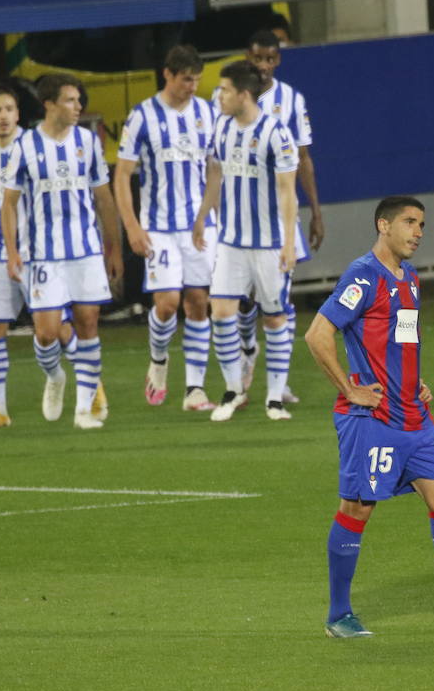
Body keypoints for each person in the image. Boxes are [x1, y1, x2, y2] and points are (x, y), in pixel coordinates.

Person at [305, 195, 434, 637]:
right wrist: (349, 389)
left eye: (421, 223)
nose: (418, 231)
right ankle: (338, 614)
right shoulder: (363, 276)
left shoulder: (411, 280)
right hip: (373, 419)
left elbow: (400, 340)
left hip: (414, 416)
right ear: (383, 225)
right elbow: (317, 334)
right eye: (409, 222)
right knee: (358, 508)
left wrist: (414, 382)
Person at [1, 73, 124, 430]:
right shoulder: (24, 146)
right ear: (49, 104)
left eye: (78, 100)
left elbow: (103, 196)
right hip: (43, 255)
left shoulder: (88, 141)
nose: (78, 107)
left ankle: (84, 409)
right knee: (46, 333)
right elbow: (9, 204)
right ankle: (55, 377)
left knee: (88, 325)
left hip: (85, 251)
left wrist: (113, 247)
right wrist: (12, 252)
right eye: (70, 100)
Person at [213, 30, 324, 401]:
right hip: (237, 227)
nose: (263, 66)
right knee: (238, 306)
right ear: (249, 56)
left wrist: (316, 212)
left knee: (274, 304)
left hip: (277, 226)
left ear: (277, 60)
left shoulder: (291, 100)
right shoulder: (227, 100)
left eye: (270, 59)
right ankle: (247, 355)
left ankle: (279, 383)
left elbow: (303, 160)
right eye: (258, 58)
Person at [0, 82, 81, 430]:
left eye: (9, 110)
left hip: (39, 253)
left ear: (18, 113)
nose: (3, 116)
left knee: (56, 327)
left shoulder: (35, 146)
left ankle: (91, 383)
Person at [191, 59, 298, 422]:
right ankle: (234, 390)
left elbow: (287, 191)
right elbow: (216, 175)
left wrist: (287, 242)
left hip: (268, 243)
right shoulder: (221, 128)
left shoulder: (276, 133)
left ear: (244, 94)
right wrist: (203, 215)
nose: (218, 96)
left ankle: (274, 399)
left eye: (224, 90)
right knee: (220, 311)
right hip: (232, 242)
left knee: (274, 318)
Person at [114, 45, 219, 412]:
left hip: (198, 226)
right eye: (186, 79)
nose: (192, 86)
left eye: (197, 80)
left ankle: (194, 390)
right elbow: (122, 174)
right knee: (167, 303)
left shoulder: (208, 112)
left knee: (197, 303)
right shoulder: (142, 116)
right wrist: (131, 226)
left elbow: (215, 170)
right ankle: (158, 359)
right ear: (168, 75)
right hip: (158, 226)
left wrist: (208, 216)